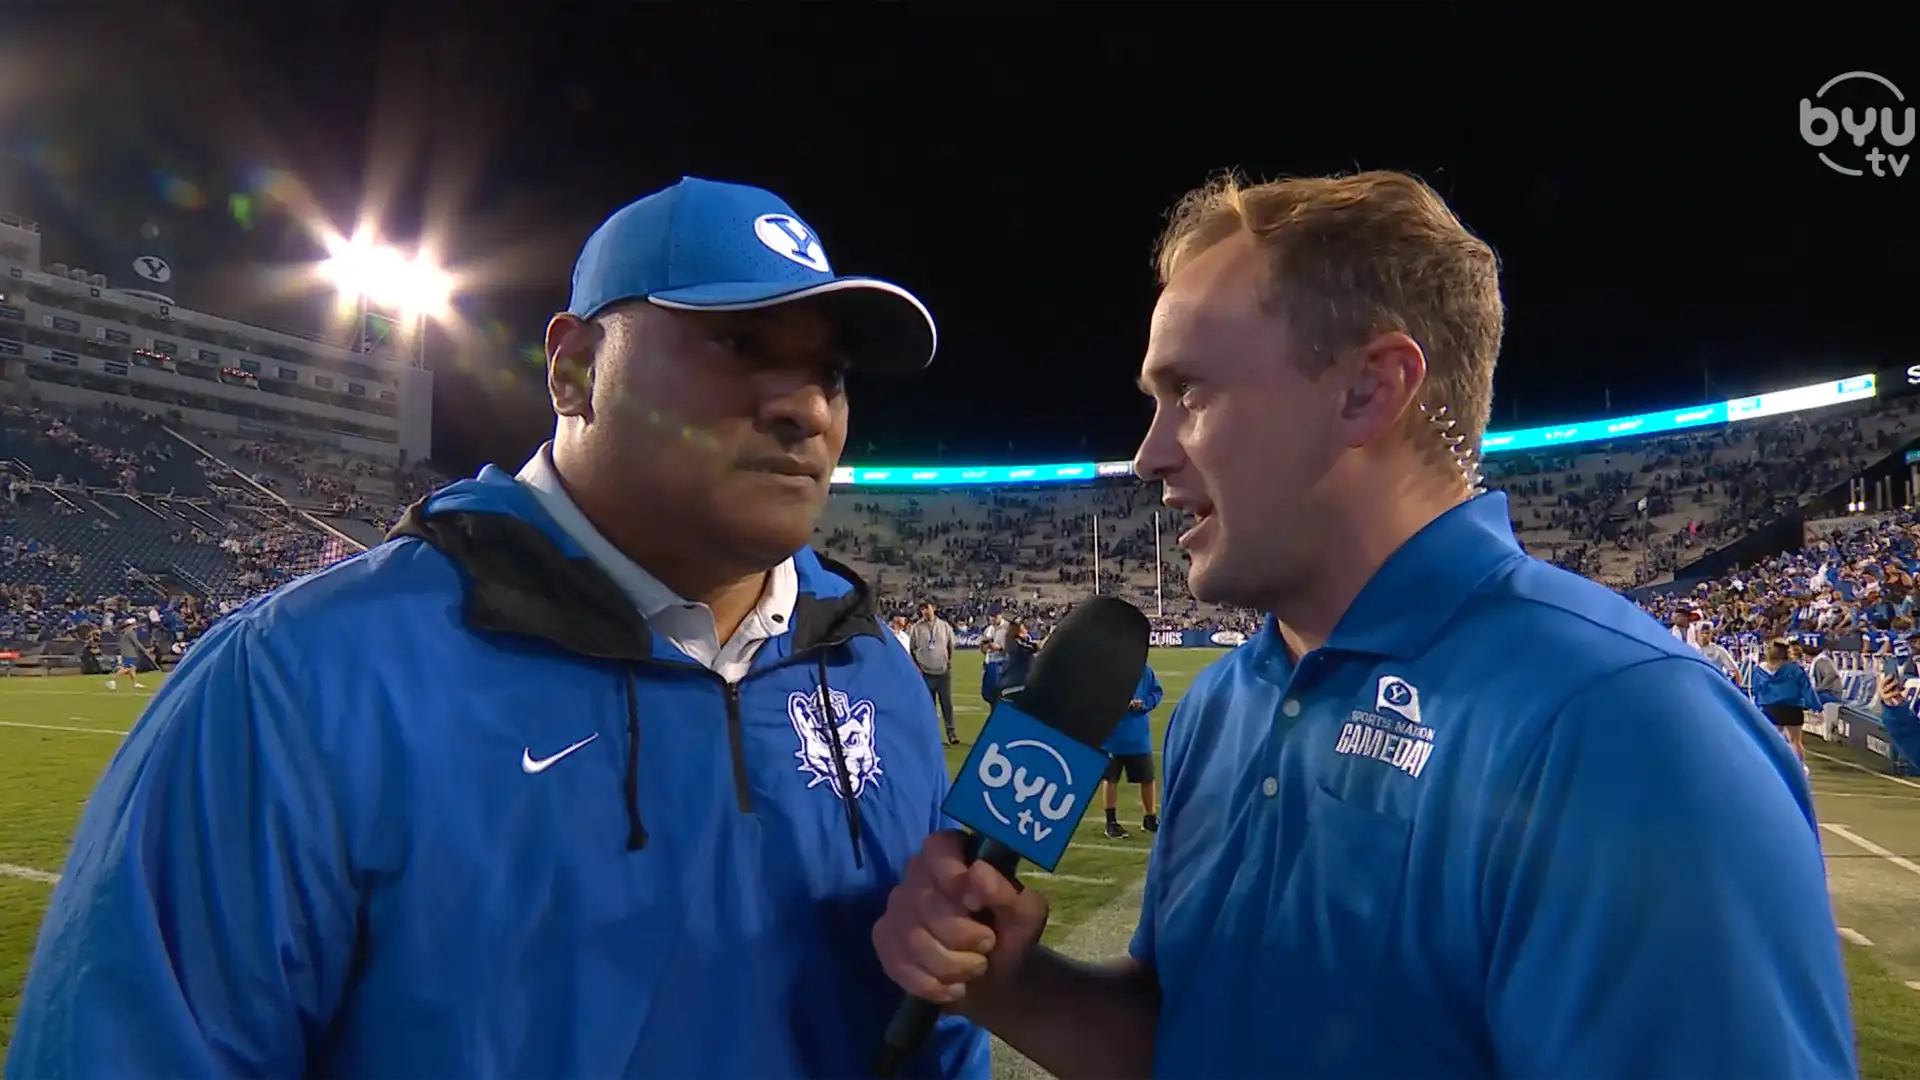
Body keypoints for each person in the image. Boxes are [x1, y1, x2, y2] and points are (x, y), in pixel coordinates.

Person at [872, 169, 1853, 1078]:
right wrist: (1012, 985)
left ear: (1368, 390)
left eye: (1190, 393)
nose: (1149, 454)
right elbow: (1191, 1041)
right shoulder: (1223, 705)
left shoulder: (1627, 729)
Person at [10, 176, 987, 1079]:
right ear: (575, 371)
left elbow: (936, 1035)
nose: (806, 407)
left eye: (831, 372)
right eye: (737, 346)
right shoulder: (299, 681)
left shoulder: (872, 670)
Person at [1100, 662, 1164, 839]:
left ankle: (1150, 818)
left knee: (1147, 778)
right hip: (1112, 734)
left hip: (1138, 735)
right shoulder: (1106, 669)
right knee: (1111, 779)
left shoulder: (1144, 669)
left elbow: (1156, 692)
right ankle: (1111, 821)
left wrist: (1144, 704)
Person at [1751, 638, 1819, 773]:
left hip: (1770, 709)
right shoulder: (1795, 669)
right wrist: (1817, 707)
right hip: (1792, 708)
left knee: (1771, 741)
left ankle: (1770, 769)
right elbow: (1806, 689)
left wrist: (1758, 705)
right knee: (1795, 741)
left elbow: (1756, 689)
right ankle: (1799, 770)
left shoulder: (1759, 670)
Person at [910, 601, 958, 745]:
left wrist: (948, 661)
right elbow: (912, 649)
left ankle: (951, 733)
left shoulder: (944, 626)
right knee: (928, 706)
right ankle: (930, 735)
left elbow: (950, 645)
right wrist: (917, 667)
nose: (924, 611)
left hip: (942, 672)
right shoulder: (916, 628)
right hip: (925, 672)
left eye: (927, 608)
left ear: (934, 608)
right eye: (922, 609)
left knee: (946, 704)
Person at [105, 616, 147, 690]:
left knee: (132, 668)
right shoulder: (131, 632)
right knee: (127, 668)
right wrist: (144, 650)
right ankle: (113, 680)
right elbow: (136, 642)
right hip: (129, 653)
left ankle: (135, 683)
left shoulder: (124, 632)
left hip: (125, 652)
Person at [979, 609, 1010, 706]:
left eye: (995, 616)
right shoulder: (988, 629)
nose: (993, 619)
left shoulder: (1008, 628)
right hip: (990, 663)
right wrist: (984, 646)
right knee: (988, 694)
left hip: (1002, 664)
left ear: (1000, 615)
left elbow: (1012, 648)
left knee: (999, 695)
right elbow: (983, 649)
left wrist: (999, 648)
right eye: (991, 616)